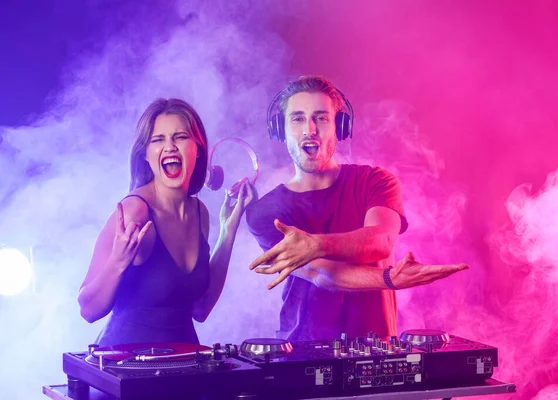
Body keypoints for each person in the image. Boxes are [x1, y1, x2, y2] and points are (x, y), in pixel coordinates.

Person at [245, 75, 468, 342]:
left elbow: (381, 240)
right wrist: (388, 279)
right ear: (280, 130)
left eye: (321, 118)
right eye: (298, 119)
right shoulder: (264, 212)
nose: (310, 129)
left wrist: (316, 244)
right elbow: (321, 274)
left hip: (376, 349)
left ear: (340, 126)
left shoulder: (376, 181)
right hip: (299, 352)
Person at [78, 98, 255, 346]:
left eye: (180, 137)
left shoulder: (199, 212)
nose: (170, 147)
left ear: (198, 149)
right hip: (129, 372)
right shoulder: (135, 212)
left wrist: (228, 230)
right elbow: (88, 310)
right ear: (146, 155)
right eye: (158, 140)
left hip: (183, 368)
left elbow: (200, 309)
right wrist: (118, 262)